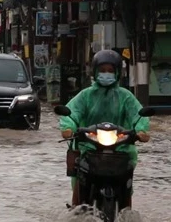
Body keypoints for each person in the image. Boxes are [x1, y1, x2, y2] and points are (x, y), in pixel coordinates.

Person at [59, 49, 150, 208]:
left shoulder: (125, 96)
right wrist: (68, 127)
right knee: (79, 180)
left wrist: (141, 131)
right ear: (94, 72)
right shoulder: (86, 95)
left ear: (117, 73)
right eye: (102, 70)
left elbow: (138, 114)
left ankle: (126, 212)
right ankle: (75, 210)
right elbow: (72, 112)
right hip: (90, 146)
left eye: (110, 71)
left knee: (127, 183)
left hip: (120, 148)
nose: (106, 74)